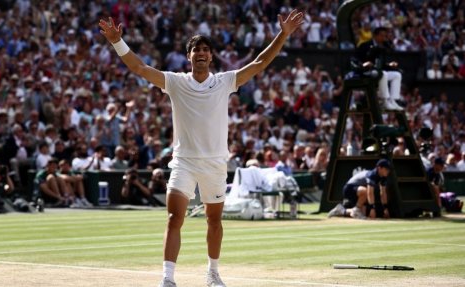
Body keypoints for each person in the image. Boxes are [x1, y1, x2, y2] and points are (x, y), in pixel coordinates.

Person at [99, 9, 304, 287]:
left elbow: (259, 62)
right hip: (183, 161)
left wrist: (283, 34)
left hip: (215, 163)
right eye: (196, 50)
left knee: (214, 221)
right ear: (189, 56)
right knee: (174, 218)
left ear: (211, 56)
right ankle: (167, 278)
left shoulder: (225, 81)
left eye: (206, 50)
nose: (201, 54)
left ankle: (213, 273)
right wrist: (116, 42)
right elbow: (140, 68)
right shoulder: (175, 81)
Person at [354, 27, 403, 111]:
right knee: (382, 74)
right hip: (365, 72)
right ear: (375, 36)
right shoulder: (365, 45)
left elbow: (382, 64)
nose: (383, 38)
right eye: (382, 35)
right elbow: (357, 60)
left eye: (385, 36)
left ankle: (393, 100)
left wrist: (390, 65)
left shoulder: (383, 47)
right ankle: (385, 101)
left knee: (397, 75)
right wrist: (365, 64)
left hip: (378, 71)